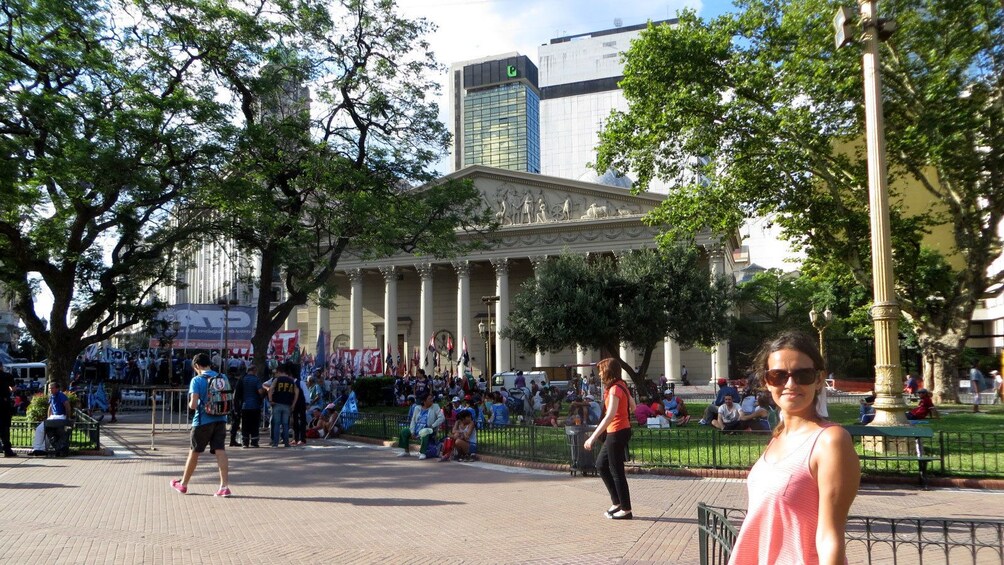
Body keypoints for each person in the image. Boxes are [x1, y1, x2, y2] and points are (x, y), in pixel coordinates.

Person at [728, 332, 859, 565]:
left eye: (803, 375)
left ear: (819, 380)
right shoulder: (779, 436)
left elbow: (830, 536)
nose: (790, 384)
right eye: (778, 376)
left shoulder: (830, 441)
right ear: (766, 382)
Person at [170, 353, 232, 497]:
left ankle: (183, 484)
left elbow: (192, 405)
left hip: (202, 421)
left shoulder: (197, 380)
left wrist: (197, 403)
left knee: (194, 452)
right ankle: (224, 486)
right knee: (220, 451)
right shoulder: (223, 378)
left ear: (197, 366)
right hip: (221, 419)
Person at [584, 358, 633, 520]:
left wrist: (592, 437)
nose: (599, 373)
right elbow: (633, 406)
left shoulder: (614, 390)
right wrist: (623, 415)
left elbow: (609, 416)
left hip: (617, 431)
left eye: (601, 370)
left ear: (608, 371)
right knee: (601, 465)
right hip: (621, 430)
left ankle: (626, 509)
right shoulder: (622, 386)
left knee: (616, 470)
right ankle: (617, 502)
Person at [29, 381, 73, 456]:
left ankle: (39, 448)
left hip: (60, 416)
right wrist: (48, 417)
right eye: (49, 388)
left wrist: (67, 418)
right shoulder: (52, 396)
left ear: (57, 388)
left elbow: (67, 406)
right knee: (43, 430)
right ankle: (39, 449)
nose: (50, 390)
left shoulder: (61, 395)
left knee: (41, 429)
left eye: (52, 388)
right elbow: (50, 407)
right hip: (53, 417)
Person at [397, 393, 444, 459]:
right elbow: (413, 420)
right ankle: (406, 451)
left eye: (432, 398)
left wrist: (433, 426)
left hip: (429, 429)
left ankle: (423, 453)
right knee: (404, 431)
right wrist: (412, 431)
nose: (432, 400)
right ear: (424, 401)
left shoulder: (435, 406)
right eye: (429, 399)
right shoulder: (417, 408)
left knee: (425, 431)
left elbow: (442, 418)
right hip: (417, 428)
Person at [268, 361, 299, 448]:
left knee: (277, 424)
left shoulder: (277, 380)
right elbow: (297, 392)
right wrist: (293, 404)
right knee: (285, 424)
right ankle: (286, 443)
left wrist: (270, 400)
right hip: (287, 405)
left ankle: (275, 443)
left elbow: (270, 389)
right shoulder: (292, 381)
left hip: (277, 404)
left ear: (280, 372)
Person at [236, 364, 264, 447]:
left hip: (245, 405)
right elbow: (260, 392)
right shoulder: (256, 379)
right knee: (255, 424)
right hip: (255, 405)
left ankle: (245, 442)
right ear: (254, 371)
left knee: (245, 424)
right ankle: (254, 442)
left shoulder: (243, 379)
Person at [0, 362, 16, 457]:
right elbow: (13, 388)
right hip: (4, 403)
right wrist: (7, 390)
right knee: (5, 427)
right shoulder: (7, 376)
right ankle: (7, 450)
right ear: (1, 367)